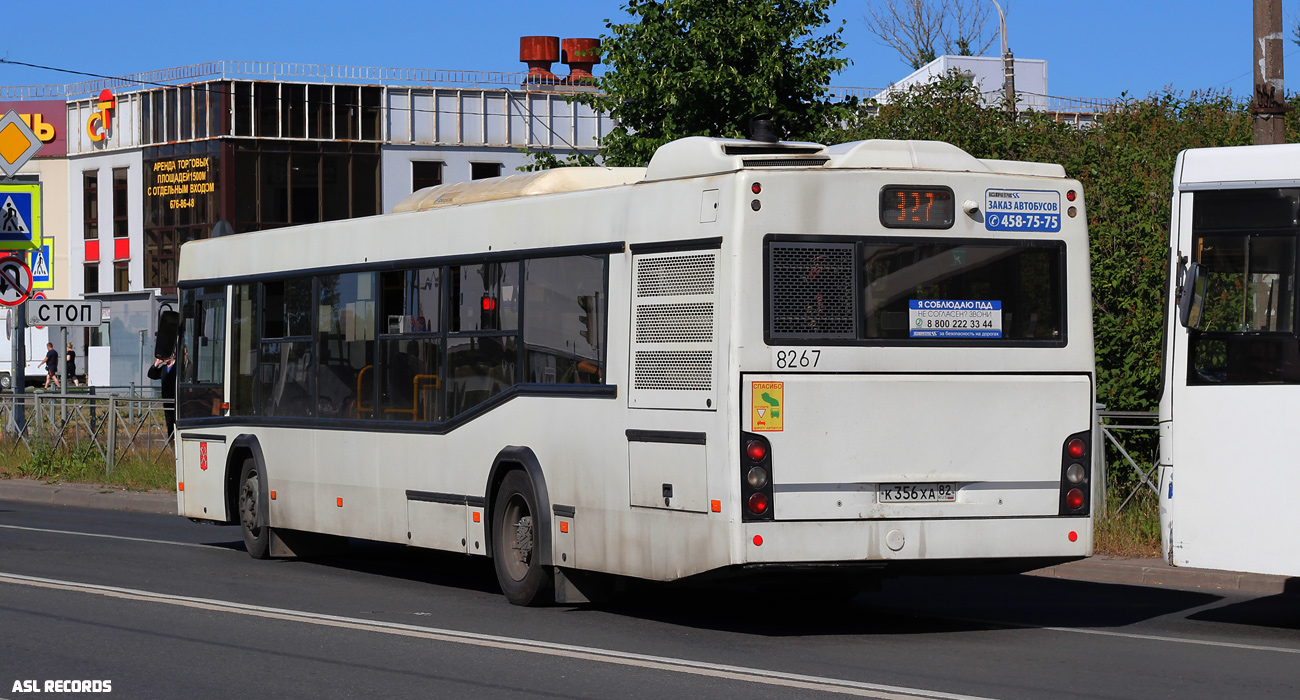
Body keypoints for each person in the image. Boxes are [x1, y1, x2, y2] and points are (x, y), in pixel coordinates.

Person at [148, 354, 178, 436]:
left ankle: (176, 441)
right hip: (166, 398)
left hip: (176, 398)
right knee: (169, 422)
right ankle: (171, 441)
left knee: (176, 421)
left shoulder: (178, 366)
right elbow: (151, 375)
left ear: (173, 355)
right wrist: (157, 363)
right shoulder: (164, 368)